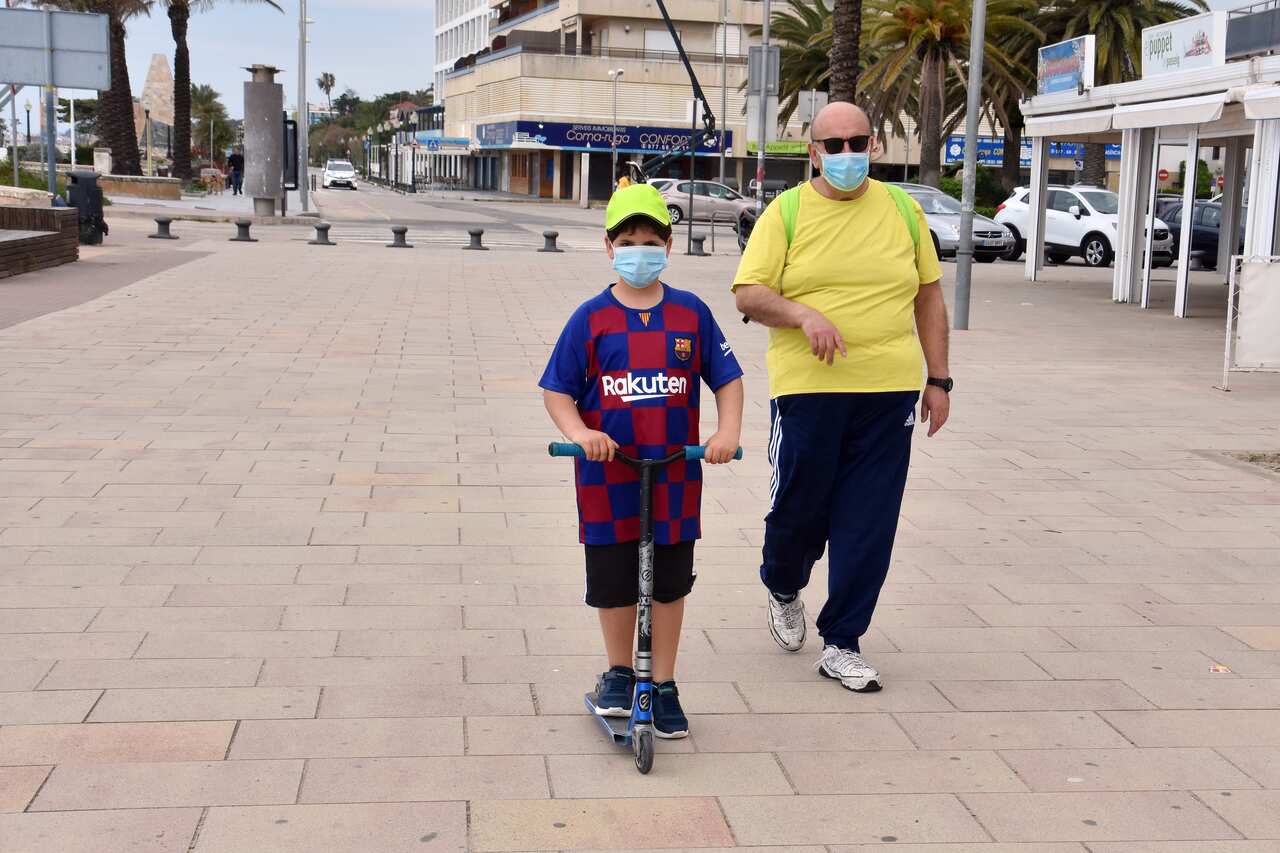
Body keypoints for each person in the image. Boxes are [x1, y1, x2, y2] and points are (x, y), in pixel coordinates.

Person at [732, 101, 951, 693]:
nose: (848, 154)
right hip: (809, 391)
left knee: (869, 519)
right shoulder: (788, 212)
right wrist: (803, 315)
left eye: (858, 142)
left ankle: (843, 641)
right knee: (799, 510)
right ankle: (783, 583)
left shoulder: (902, 210)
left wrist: (938, 380)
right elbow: (748, 293)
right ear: (814, 153)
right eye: (835, 145)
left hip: (888, 391)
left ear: (873, 145)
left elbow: (928, 295)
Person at [541, 183, 744, 738]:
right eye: (627, 242)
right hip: (608, 477)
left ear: (669, 246)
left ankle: (665, 683)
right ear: (609, 247)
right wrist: (580, 432)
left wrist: (727, 432)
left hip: (674, 474)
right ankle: (619, 672)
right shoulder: (591, 318)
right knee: (613, 580)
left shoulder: (690, 314)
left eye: (651, 242)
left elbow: (727, 378)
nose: (639, 252)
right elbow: (557, 390)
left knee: (669, 583)